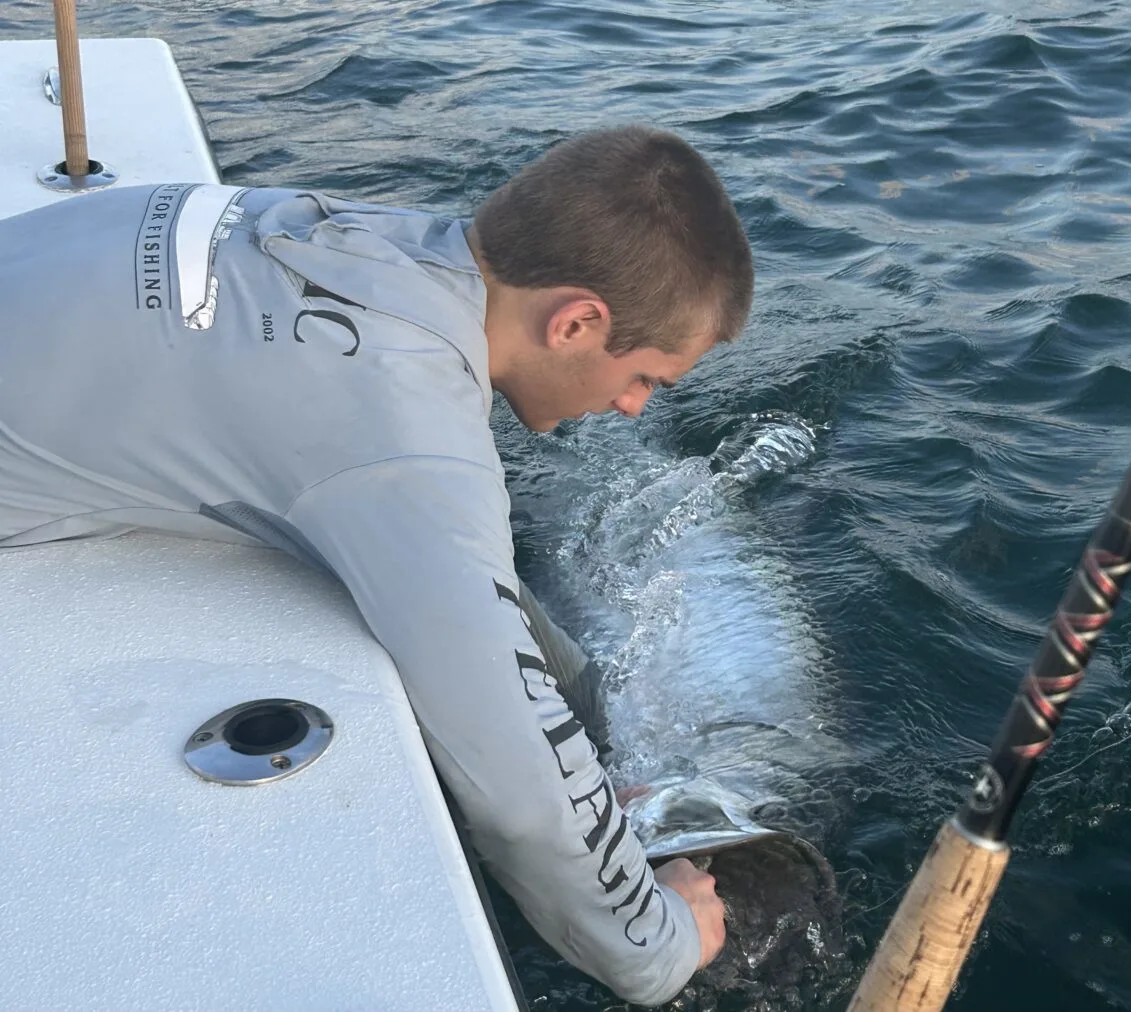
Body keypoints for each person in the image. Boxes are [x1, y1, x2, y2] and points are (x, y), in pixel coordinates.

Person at [0, 125, 753, 1005]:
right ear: (578, 320)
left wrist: (587, 717)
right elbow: (520, 799)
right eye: (647, 379)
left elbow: (472, 593)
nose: (630, 408)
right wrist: (661, 942)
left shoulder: (364, 242)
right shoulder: (403, 430)